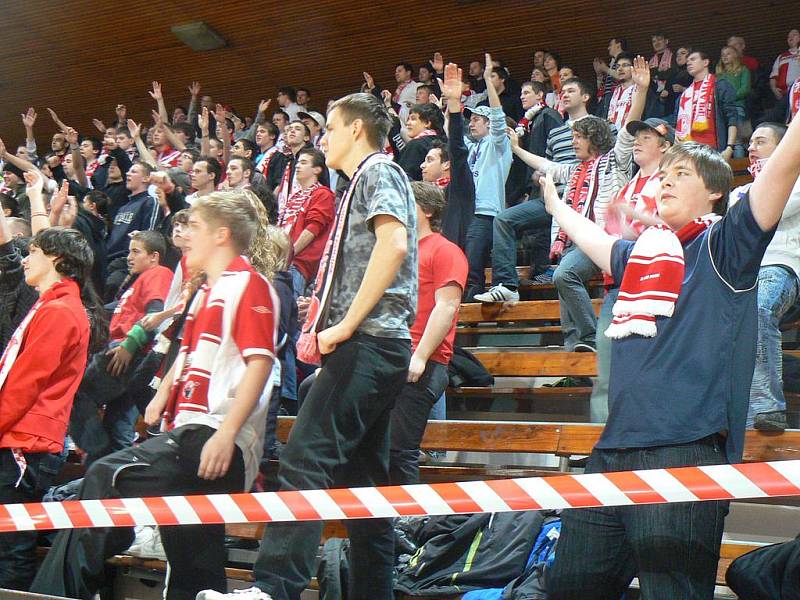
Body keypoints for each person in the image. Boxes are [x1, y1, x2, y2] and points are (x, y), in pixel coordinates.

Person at [545, 108, 800, 599]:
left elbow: (784, 168)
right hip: (610, 451)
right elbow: (597, 241)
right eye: (663, 174)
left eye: (681, 174)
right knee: (569, 589)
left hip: (686, 450)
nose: (664, 183)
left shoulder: (726, 246)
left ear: (715, 193)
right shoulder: (642, 257)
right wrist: (557, 208)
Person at [199, 92, 417, 600]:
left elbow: (395, 245)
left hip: (368, 340)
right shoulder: (367, 179)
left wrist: (344, 325)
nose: (325, 140)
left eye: (332, 129)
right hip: (381, 344)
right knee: (367, 493)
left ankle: (274, 588)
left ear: (357, 131)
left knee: (305, 460)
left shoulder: (378, 172)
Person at [32, 189, 279, 600]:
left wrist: (226, 434)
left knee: (104, 476)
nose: (182, 234)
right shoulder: (207, 290)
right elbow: (190, 354)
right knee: (194, 565)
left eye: (194, 227)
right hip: (196, 431)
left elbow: (260, 363)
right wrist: (164, 393)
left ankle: (61, 592)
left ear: (221, 235)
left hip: (213, 434)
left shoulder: (248, 284)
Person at [497, 58, 650, 355]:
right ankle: (574, 350)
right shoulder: (575, 170)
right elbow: (547, 164)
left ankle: (591, 337)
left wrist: (641, 91)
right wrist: (517, 149)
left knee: (563, 275)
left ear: (594, 138)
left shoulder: (615, 161)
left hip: (602, 240)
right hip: (573, 240)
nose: (574, 142)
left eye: (578, 137)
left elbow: (630, 127)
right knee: (564, 289)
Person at [0, 225, 104, 591]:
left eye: (34, 252)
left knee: (10, 546)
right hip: (21, 437)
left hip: (24, 442)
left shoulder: (60, 310)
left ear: (57, 259)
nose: (26, 258)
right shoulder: (51, 305)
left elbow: (25, 383)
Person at [590, 118, 673, 423]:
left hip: (654, 286)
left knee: (650, 372)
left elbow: (678, 230)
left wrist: (634, 217)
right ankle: (598, 444)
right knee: (606, 375)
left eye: (647, 137)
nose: (637, 141)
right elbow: (613, 237)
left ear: (665, 146)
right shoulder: (627, 186)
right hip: (618, 285)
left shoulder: (671, 183)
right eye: (636, 137)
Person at [69, 230, 173, 464]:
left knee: (78, 394)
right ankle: (110, 477)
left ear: (154, 256)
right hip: (130, 356)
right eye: (129, 251)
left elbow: (156, 314)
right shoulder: (136, 283)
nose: (129, 257)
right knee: (118, 428)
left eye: (136, 251)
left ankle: (91, 455)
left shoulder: (159, 273)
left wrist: (130, 345)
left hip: (125, 352)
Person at [390, 181, 467, 484]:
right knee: (378, 449)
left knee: (399, 449)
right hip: (392, 353)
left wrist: (420, 356)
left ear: (426, 210)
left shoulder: (445, 250)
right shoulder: (398, 251)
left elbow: (446, 308)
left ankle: (405, 523)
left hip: (424, 359)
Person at [729, 122, 800, 431]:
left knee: (758, 308)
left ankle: (766, 405)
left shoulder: (795, 180)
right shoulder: (738, 191)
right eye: (751, 142)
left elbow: (769, 211)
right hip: (742, 273)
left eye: (761, 142)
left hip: (782, 267)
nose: (752, 148)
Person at [475, 81, 562, 302]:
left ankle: (541, 272)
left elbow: (552, 155)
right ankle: (511, 283)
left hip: (559, 190)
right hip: (538, 184)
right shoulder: (530, 122)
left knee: (537, 232)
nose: (522, 96)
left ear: (541, 95)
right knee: (508, 221)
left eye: (527, 92)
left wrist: (544, 173)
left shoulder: (548, 116)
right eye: (521, 92)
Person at [462, 53, 513, 301]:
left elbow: (498, 115)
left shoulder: (497, 144)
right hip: (471, 212)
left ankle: (469, 319)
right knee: (467, 268)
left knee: (472, 267)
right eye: (470, 120)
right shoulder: (473, 147)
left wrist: (488, 84)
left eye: (476, 119)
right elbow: (452, 139)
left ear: (488, 123)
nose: (471, 124)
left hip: (487, 213)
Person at [277, 147, 335, 298]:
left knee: (287, 310)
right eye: (298, 163)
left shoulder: (322, 193)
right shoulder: (295, 196)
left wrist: (289, 254)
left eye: (303, 163)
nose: (297, 166)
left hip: (296, 264)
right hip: (282, 262)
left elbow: (313, 228)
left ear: (317, 169)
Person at [673, 49, 739, 157]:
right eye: (688, 61)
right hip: (687, 149)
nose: (688, 62)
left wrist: (730, 147)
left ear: (705, 62)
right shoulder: (684, 94)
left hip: (713, 149)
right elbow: (675, 123)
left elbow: (731, 117)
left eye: (693, 59)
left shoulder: (720, 86)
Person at [717, 45, 752, 156]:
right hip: (721, 110)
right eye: (723, 55)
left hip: (737, 107)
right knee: (722, 139)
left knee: (736, 140)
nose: (725, 57)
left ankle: (739, 168)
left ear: (735, 55)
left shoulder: (743, 70)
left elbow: (745, 88)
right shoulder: (719, 74)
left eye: (728, 54)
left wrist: (730, 98)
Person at [397, 103, 445, 181]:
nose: (407, 123)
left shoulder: (415, 145)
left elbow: (402, 179)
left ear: (427, 123)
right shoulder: (445, 142)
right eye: (408, 119)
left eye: (413, 119)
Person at [770, 29, 800, 100]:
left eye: (794, 35)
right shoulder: (781, 57)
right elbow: (773, 76)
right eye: (788, 37)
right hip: (784, 95)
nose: (790, 38)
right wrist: (774, 89)